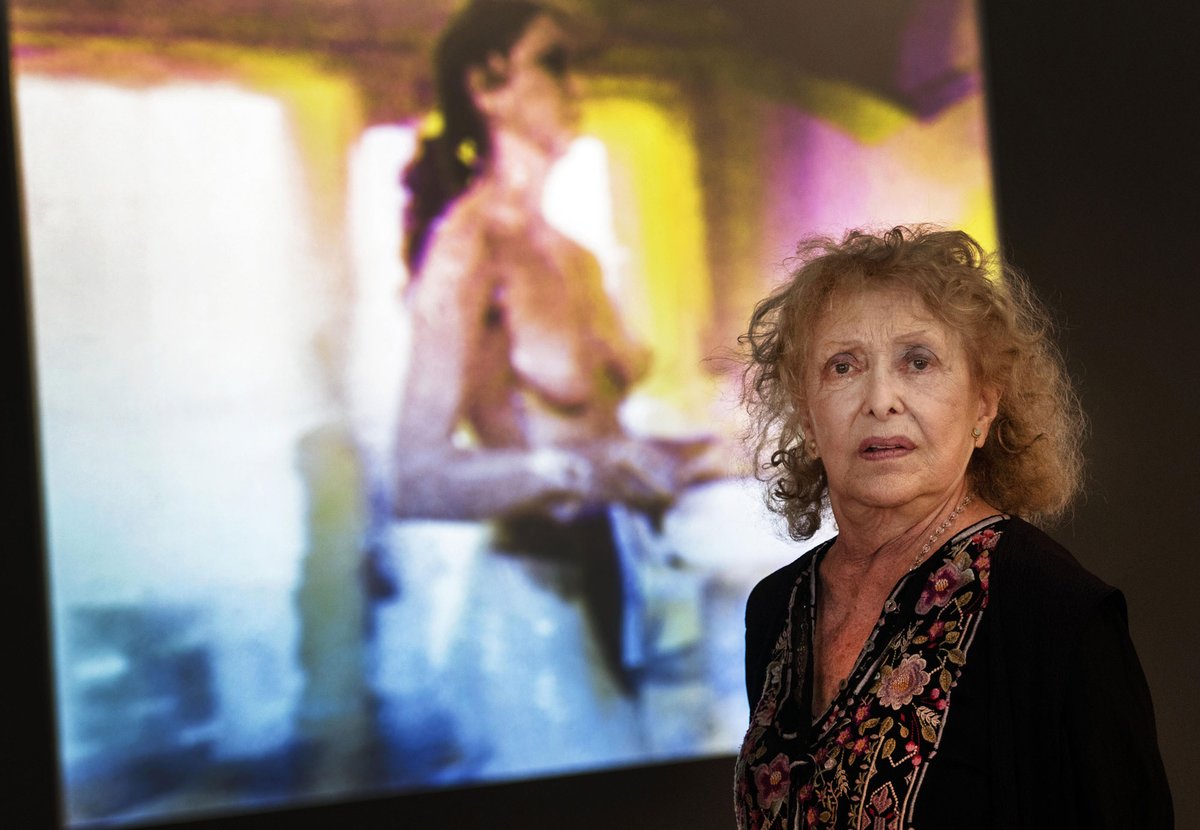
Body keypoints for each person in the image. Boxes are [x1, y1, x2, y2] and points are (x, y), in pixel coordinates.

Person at [367, 0, 718, 783]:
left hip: (621, 588)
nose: (575, 85)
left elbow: (604, 444)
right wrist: (584, 473)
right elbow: (417, 479)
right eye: (553, 64)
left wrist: (712, 454)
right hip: (532, 615)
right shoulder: (466, 249)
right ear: (488, 86)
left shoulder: (579, 259)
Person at [734, 226, 1172, 828]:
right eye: (843, 366)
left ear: (983, 407)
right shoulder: (777, 607)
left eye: (918, 362)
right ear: (808, 421)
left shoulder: (1056, 611)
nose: (881, 399)